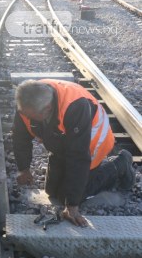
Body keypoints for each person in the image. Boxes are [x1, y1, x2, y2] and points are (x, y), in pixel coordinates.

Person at [12, 79, 135, 227]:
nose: (26, 118)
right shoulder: (27, 101)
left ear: (47, 109)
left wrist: (72, 206)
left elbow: (78, 158)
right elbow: (20, 136)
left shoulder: (76, 106)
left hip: (92, 142)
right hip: (62, 140)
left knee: (70, 196)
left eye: (31, 117)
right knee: (52, 191)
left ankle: (120, 164)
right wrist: (23, 168)